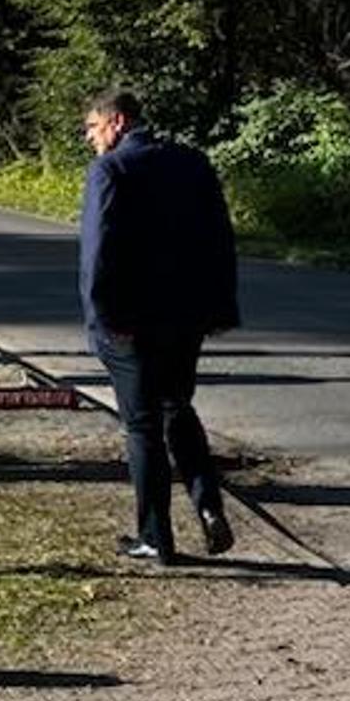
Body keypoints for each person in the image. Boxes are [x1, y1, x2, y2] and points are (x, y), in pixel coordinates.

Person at [79, 89, 241, 562]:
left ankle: (155, 536)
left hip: (129, 323)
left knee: (141, 426)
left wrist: (99, 320)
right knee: (178, 408)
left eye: (93, 127)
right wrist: (220, 308)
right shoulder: (192, 162)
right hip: (186, 318)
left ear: (117, 122)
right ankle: (208, 506)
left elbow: (97, 252)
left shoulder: (111, 170)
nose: (90, 138)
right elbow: (220, 238)